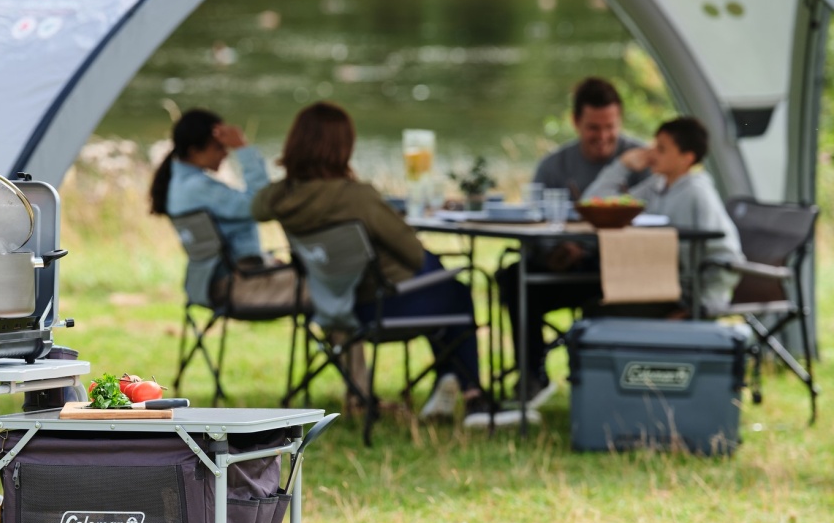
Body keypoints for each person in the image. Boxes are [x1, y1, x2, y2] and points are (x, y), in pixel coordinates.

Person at [251, 103, 511, 427]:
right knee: (455, 289)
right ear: (342, 148)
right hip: (382, 307)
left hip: (335, 306)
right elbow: (412, 253)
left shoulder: (281, 198)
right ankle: (474, 397)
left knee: (441, 284)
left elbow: (257, 205)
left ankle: (448, 380)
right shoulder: (357, 196)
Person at [498, 76, 645, 405]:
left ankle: (610, 379)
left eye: (610, 127)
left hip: (624, 269)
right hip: (571, 269)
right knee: (514, 278)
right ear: (576, 122)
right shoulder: (554, 166)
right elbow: (534, 226)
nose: (603, 137)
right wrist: (554, 251)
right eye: (593, 128)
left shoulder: (641, 161)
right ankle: (532, 375)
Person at [583, 116, 743, 313]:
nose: (651, 153)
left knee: (597, 310)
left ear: (687, 158)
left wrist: (700, 307)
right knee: (593, 301)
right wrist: (622, 166)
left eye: (661, 149)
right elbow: (595, 204)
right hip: (653, 283)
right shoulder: (657, 186)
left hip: (685, 297)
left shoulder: (697, 193)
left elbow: (725, 256)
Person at [150, 108, 297, 309]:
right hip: (237, 286)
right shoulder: (197, 188)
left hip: (212, 284)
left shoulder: (179, 185)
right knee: (328, 285)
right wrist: (242, 148)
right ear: (194, 152)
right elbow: (262, 203)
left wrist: (266, 260)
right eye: (219, 147)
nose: (226, 153)